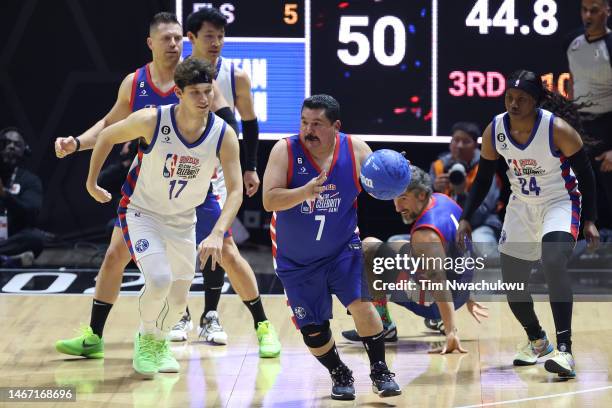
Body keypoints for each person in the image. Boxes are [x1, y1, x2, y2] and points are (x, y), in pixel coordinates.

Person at [86, 57, 242, 377]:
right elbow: (105, 136)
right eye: (195, 92)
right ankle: (146, 339)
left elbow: (237, 190)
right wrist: (91, 182)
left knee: (179, 296)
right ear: (178, 93)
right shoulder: (151, 120)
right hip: (142, 212)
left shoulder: (222, 134)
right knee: (158, 279)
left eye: (208, 92)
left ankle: (158, 342)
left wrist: (217, 233)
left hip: (183, 220)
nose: (203, 100)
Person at [457, 70, 600, 378]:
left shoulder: (557, 129)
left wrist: (590, 220)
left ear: (536, 102)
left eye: (522, 99)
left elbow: (587, 177)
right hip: (521, 207)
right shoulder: (495, 129)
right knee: (513, 284)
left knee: (552, 262)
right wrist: (467, 217)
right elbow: (482, 179)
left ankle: (565, 351)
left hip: (560, 203)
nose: (514, 103)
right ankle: (538, 340)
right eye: (509, 97)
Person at [262, 94, 401, 400]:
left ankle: (380, 370)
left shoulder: (356, 150)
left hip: (341, 248)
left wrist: (396, 181)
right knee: (313, 329)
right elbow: (269, 200)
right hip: (296, 258)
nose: (308, 130)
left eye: (317, 124)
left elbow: (383, 182)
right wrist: (304, 191)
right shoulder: (284, 150)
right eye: (304, 123)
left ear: (335, 126)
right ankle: (339, 371)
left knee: (362, 304)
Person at [170, 7, 280, 358]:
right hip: (176, 170)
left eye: (220, 36)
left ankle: (213, 313)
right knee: (178, 246)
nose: (216, 42)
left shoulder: (235, 76)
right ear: (192, 38)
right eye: (208, 36)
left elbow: (246, 125)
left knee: (220, 247)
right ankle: (178, 312)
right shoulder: (174, 75)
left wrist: (249, 167)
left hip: (217, 174)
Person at [342, 166, 489, 350]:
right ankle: (440, 319)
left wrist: (452, 332)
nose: (397, 207)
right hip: (460, 289)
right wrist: (469, 295)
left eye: (403, 198)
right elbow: (463, 251)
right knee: (396, 245)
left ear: (420, 195)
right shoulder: (444, 200)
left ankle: (385, 324)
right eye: (395, 198)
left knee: (369, 248)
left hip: (437, 301)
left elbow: (438, 282)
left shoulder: (425, 235)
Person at [565, 0, 612, 229]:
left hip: (608, 125)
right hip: (583, 126)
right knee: (583, 188)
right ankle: (585, 248)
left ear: (607, 11)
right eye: (584, 10)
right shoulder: (572, 42)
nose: (588, 15)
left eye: (594, 10)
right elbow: (574, 83)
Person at [430, 122, 501, 260]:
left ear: (475, 145)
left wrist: (462, 194)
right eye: (456, 140)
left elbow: (481, 215)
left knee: (485, 249)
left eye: (466, 141)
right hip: (445, 227)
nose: (460, 146)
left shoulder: (486, 170)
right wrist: (434, 190)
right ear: (450, 143)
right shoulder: (437, 167)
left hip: (479, 226)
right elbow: (424, 209)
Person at [0, 127, 44, 266]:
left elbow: (32, 210)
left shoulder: (30, 180)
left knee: (35, 238)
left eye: (17, 144)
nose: (11, 146)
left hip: (13, 238)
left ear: (25, 151)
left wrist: (5, 196)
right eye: (6, 142)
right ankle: (7, 259)